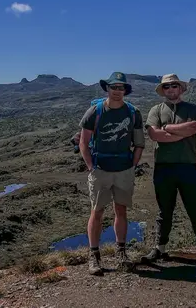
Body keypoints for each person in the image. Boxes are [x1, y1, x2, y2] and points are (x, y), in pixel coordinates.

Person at [141, 73, 196, 267]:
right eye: (166, 87)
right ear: (163, 91)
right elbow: (153, 134)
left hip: (188, 166)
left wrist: (167, 128)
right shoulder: (156, 110)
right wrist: (179, 134)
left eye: (174, 86)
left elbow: (193, 127)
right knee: (164, 211)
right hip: (163, 168)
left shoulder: (192, 109)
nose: (170, 89)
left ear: (180, 88)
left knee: (195, 210)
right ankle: (160, 248)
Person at [78, 72, 145, 275]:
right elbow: (83, 141)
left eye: (120, 87)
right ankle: (94, 255)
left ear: (125, 90)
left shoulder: (133, 112)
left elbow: (139, 143)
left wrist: (132, 166)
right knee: (97, 212)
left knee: (121, 211)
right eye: (113, 87)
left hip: (123, 169)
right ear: (107, 89)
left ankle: (121, 252)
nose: (117, 91)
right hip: (101, 170)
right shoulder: (95, 111)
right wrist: (91, 166)